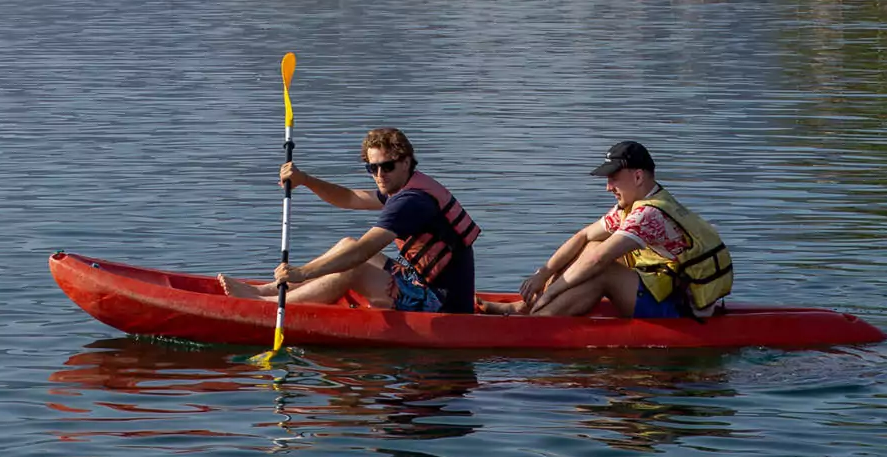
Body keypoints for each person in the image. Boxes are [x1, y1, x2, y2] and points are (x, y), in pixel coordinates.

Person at [220, 127, 479, 314]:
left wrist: (302, 272)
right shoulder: (403, 189)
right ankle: (269, 290)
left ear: (406, 162)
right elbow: (350, 198)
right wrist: (305, 180)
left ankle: (267, 306)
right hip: (417, 280)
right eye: (372, 168)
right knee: (346, 243)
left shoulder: (411, 202)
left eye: (387, 166)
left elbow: (363, 252)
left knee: (354, 265)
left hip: (440, 305)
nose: (379, 175)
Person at [485, 140, 732, 320]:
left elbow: (599, 259)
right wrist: (544, 273)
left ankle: (535, 321)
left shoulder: (649, 214)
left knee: (603, 269)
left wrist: (553, 293)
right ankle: (528, 307)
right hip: (661, 287)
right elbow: (583, 237)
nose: (607, 187)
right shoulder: (637, 204)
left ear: (637, 177)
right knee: (591, 245)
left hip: (679, 311)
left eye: (613, 178)